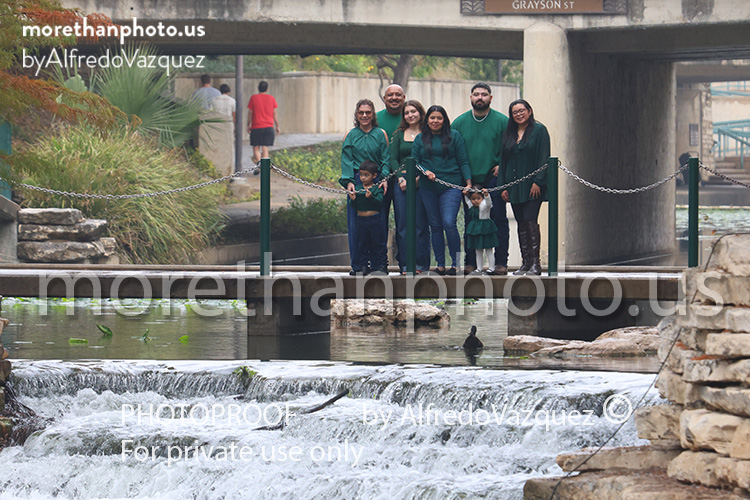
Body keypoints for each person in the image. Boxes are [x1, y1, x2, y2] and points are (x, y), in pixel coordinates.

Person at [452, 82, 510, 275]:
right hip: (469, 180)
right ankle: (470, 262)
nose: (480, 97)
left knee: (498, 219)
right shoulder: (459, 123)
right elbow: (452, 150)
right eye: (476, 94)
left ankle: (500, 262)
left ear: (490, 98)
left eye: (484, 94)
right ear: (470, 97)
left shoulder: (502, 121)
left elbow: (511, 148)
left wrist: (502, 165)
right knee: (471, 221)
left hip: (493, 178)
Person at [412, 105, 472, 275]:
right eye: (432, 118)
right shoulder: (420, 138)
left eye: (439, 118)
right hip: (428, 188)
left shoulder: (455, 136)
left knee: (449, 223)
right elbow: (414, 162)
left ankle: (456, 264)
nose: (436, 121)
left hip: (451, 187)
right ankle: (440, 264)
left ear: (444, 120)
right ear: (427, 120)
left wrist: (468, 182)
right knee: (435, 226)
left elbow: (463, 160)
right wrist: (425, 171)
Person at [339, 99, 391, 275]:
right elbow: (346, 159)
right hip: (357, 179)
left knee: (378, 223)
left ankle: (379, 264)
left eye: (368, 112)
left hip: (376, 179)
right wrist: (349, 181)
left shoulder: (380, 134)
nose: (364, 116)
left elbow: (385, 158)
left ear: (373, 114)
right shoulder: (350, 135)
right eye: (361, 112)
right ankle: (359, 265)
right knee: (356, 224)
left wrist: (384, 178)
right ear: (356, 114)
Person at [500, 99, 550, 276]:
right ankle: (525, 263)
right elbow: (503, 161)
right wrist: (503, 186)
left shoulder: (539, 130)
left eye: (522, 110)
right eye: (515, 112)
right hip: (514, 186)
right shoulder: (509, 133)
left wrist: (539, 182)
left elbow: (544, 157)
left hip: (533, 185)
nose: (519, 114)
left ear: (529, 111)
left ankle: (536, 263)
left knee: (530, 220)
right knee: (520, 221)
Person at [389, 100, 430, 273]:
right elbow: (393, 159)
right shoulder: (399, 134)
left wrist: (418, 179)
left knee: (421, 224)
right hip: (402, 182)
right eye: (407, 113)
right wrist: (400, 178)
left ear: (420, 112)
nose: (410, 115)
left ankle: (421, 264)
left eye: (413, 111)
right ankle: (405, 264)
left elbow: (430, 158)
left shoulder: (428, 133)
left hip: (422, 181)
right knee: (403, 224)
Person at [376, 84, 406, 262]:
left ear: (404, 97)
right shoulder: (375, 119)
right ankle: (380, 263)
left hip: (405, 178)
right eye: (390, 95)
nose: (394, 98)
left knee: (404, 222)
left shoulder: (411, 117)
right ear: (384, 98)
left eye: (398, 95)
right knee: (379, 222)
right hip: (381, 178)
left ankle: (405, 263)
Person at [349, 160, 387, 275]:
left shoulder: (377, 188)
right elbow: (354, 206)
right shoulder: (358, 188)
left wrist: (371, 197)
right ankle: (363, 266)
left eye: (366, 175)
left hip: (375, 219)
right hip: (361, 220)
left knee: (378, 243)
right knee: (362, 244)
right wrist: (353, 200)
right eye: (361, 175)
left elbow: (379, 202)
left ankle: (381, 265)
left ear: (374, 176)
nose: (363, 178)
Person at [464, 187, 498, 275]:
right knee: (478, 250)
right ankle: (479, 268)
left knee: (489, 249)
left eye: (478, 198)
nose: (476, 201)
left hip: (486, 228)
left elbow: (489, 203)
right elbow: (467, 201)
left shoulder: (484, 205)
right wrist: (466, 194)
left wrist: (487, 195)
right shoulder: (471, 206)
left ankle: (491, 268)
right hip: (475, 229)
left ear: (482, 198)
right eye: (473, 199)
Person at [247, 81, 280, 165]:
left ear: (258, 88)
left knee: (256, 148)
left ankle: (259, 165)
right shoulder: (271, 98)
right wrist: (277, 125)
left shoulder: (253, 98)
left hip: (256, 127)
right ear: (267, 89)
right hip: (269, 127)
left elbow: (250, 112)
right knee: (265, 148)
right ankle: (264, 168)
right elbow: (274, 113)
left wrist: (248, 124)